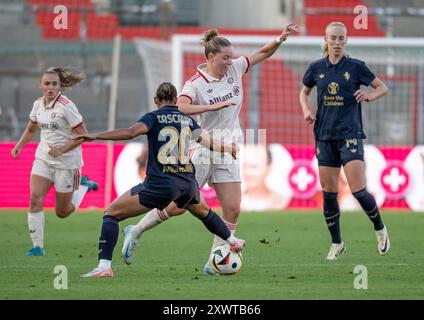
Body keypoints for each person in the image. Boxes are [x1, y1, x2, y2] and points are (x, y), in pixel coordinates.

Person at [123, 24, 300, 274]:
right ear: (210, 57)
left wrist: (279, 40)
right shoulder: (194, 84)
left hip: (228, 149)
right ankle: (136, 230)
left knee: (233, 208)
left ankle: (215, 260)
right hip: (203, 147)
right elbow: (181, 107)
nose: (231, 61)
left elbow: (261, 54)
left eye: (232, 57)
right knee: (178, 206)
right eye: (225, 57)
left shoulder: (236, 69)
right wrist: (210, 108)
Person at [76, 82, 245, 278]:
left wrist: (95, 136)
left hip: (161, 184)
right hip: (188, 184)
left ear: (156, 101)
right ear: (176, 100)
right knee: (205, 213)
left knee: (111, 214)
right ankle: (232, 241)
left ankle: (104, 266)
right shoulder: (188, 121)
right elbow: (209, 143)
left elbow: (130, 133)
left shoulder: (153, 117)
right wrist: (229, 149)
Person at [299, 22, 390, 260]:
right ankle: (337, 243)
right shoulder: (316, 68)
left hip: (350, 134)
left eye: (341, 38)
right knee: (329, 192)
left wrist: (369, 95)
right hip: (324, 136)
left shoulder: (356, 67)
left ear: (345, 41)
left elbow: (383, 87)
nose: (337, 42)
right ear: (326, 39)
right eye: (333, 38)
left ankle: (380, 228)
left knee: (358, 190)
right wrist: (306, 110)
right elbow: (304, 91)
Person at [11, 67, 98, 257]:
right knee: (34, 198)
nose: (50, 87)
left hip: (67, 164)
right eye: (47, 83)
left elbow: (83, 135)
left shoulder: (66, 106)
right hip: (43, 159)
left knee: (62, 212)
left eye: (54, 84)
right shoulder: (37, 105)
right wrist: (19, 145)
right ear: (40, 85)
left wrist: (63, 149)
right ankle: (37, 247)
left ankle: (83, 186)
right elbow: (31, 129)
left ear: (60, 86)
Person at [241, 144, 290, 211]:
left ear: (268, 168)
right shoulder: (232, 202)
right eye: (245, 166)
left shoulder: (282, 201)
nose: (248, 172)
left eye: (254, 166)